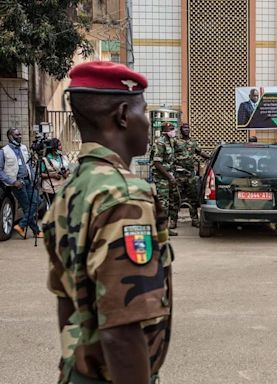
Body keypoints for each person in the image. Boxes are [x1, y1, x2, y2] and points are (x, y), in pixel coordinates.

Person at [42, 61, 173, 383]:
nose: (149, 124)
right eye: (145, 112)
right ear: (124, 115)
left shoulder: (73, 189)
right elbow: (122, 328)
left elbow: (66, 302)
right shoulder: (125, 196)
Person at [0, 128, 43, 238]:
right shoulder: (4, 151)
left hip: (28, 180)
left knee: (37, 201)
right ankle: (36, 231)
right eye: (17, 134)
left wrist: (34, 178)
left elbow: (28, 164)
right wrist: (13, 182)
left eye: (20, 134)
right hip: (18, 184)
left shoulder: (24, 147)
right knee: (27, 208)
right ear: (10, 136)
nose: (20, 136)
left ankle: (21, 225)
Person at [173, 123, 210, 227]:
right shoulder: (176, 142)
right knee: (176, 198)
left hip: (190, 175)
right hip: (178, 174)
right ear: (181, 130)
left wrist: (210, 157)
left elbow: (200, 152)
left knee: (193, 198)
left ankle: (194, 219)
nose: (186, 130)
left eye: (187, 128)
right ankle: (173, 220)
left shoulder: (193, 142)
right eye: (184, 128)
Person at [150, 122, 179, 235]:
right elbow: (157, 163)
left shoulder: (170, 141)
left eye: (173, 129)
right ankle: (162, 230)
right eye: (171, 129)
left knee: (171, 202)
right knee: (163, 204)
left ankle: (166, 228)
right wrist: (169, 177)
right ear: (165, 131)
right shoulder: (160, 143)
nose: (173, 131)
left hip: (169, 177)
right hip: (162, 179)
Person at [40, 138, 70, 204]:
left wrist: (67, 173)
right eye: (59, 145)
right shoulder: (45, 159)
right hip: (50, 188)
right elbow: (41, 174)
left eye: (60, 145)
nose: (61, 147)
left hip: (62, 186)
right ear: (53, 148)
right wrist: (52, 175)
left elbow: (68, 168)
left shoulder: (63, 157)